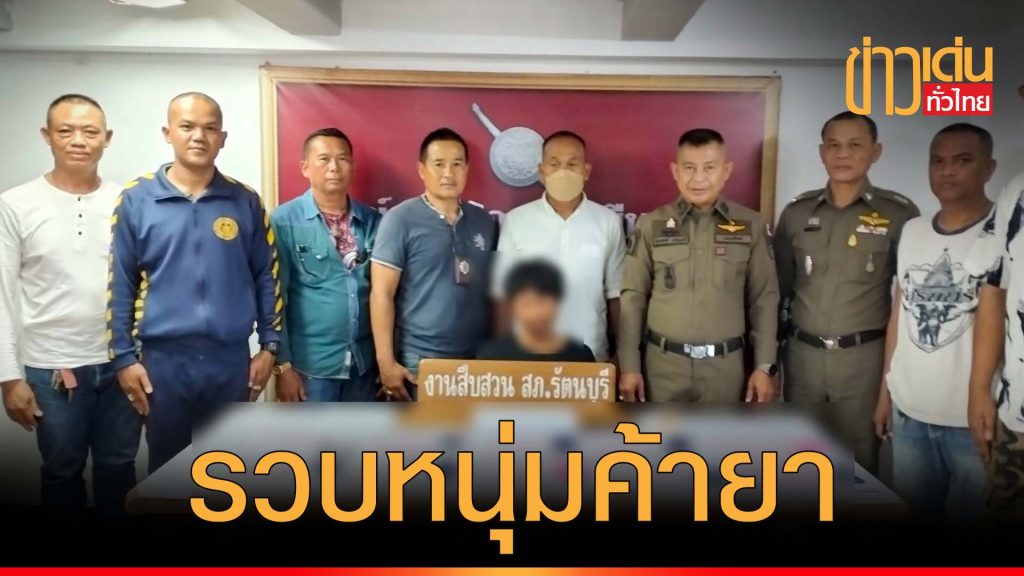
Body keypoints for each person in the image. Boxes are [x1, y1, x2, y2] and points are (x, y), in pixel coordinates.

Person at [108, 92, 280, 472]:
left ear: (223, 138)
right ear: (168, 132)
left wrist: (270, 346)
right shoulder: (137, 199)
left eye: (210, 128)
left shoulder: (245, 201)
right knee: (168, 473)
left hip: (230, 361)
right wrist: (122, 358)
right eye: (187, 126)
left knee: (227, 472)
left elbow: (266, 276)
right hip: (164, 363)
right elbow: (121, 282)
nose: (199, 136)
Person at [0, 94, 141, 519]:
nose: (78, 140)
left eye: (90, 131)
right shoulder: (15, 204)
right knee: (62, 472)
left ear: (107, 138)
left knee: (119, 468)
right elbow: (2, 294)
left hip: (121, 364)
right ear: (47, 136)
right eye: (66, 131)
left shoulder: (127, 202)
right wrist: (8, 377)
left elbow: (146, 284)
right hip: (51, 368)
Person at [774, 111, 920, 474]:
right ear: (821, 152)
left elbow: (908, 300)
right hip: (803, 358)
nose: (843, 154)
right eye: (834, 145)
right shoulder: (796, 212)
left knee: (860, 464)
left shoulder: (899, 214)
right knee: (801, 459)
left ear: (875, 151)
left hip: (863, 361)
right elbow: (780, 289)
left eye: (855, 145)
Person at [874, 123, 995, 522]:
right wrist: (886, 392)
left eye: (963, 161)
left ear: (989, 168)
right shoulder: (913, 230)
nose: (947, 171)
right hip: (910, 411)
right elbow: (900, 313)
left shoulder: (1006, 234)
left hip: (974, 419)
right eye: (938, 161)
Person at [618, 128, 779, 403]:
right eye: (689, 168)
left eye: (710, 167)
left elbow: (764, 298)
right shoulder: (652, 224)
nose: (699, 178)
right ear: (675, 171)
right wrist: (630, 365)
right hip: (664, 367)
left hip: (724, 370)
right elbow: (633, 297)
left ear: (726, 171)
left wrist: (765, 366)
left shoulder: (750, 225)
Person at [370, 128, 497, 401]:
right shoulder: (399, 220)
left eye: (457, 164)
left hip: (477, 359)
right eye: (439, 164)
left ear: (467, 169)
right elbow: (381, 294)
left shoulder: (484, 221)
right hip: (420, 360)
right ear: (421, 170)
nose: (448, 173)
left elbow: (493, 292)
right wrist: (386, 362)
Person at [494, 130, 624, 362]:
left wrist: (622, 355)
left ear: (586, 171)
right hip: (526, 355)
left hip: (590, 353)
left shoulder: (608, 222)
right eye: (554, 164)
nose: (563, 172)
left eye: (572, 164)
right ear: (542, 171)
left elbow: (616, 293)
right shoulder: (516, 221)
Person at [271, 128, 380, 402]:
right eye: (324, 159)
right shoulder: (283, 221)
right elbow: (275, 299)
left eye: (342, 159)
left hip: (364, 365)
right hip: (311, 369)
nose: (334, 167)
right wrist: (282, 366)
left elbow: (386, 293)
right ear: (305, 168)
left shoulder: (372, 220)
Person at [478, 259, 595, 362]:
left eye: (543, 302)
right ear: (513, 307)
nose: (536, 313)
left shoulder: (581, 355)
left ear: (557, 303)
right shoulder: (491, 355)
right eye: (527, 304)